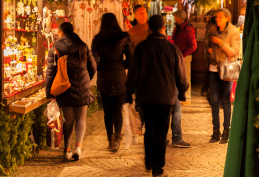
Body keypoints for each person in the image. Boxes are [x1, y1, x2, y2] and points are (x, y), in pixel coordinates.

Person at [126, 15, 189, 177]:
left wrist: (128, 93)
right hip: (165, 97)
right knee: (161, 132)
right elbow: (181, 75)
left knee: (148, 129)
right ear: (163, 28)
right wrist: (182, 92)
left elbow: (133, 73)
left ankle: (148, 160)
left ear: (149, 28)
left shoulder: (141, 48)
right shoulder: (172, 48)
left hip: (145, 96)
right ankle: (158, 168)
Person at [45, 22, 97, 160]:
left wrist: (50, 93)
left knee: (68, 120)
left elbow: (50, 72)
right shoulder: (82, 45)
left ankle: (66, 150)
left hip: (64, 87)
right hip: (82, 86)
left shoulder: (55, 48)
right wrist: (87, 79)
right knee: (81, 119)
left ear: (61, 32)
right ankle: (78, 148)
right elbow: (93, 66)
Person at [91, 13, 132, 152]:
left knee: (107, 111)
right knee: (117, 110)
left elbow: (94, 60)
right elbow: (131, 59)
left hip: (104, 76)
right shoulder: (124, 38)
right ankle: (117, 141)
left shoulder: (98, 39)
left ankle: (110, 140)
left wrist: (101, 66)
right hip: (119, 75)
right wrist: (122, 65)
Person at [205, 8, 241, 144]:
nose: (217, 19)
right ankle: (215, 131)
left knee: (225, 100)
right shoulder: (212, 30)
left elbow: (235, 52)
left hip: (227, 70)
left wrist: (221, 44)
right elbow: (207, 46)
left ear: (227, 18)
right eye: (216, 17)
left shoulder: (233, 32)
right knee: (214, 100)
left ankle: (227, 131)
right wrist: (211, 52)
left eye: (220, 17)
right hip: (214, 68)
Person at [172, 9, 197, 104]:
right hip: (179, 55)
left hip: (184, 56)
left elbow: (193, 45)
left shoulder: (188, 29)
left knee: (186, 76)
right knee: (179, 75)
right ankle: (180, 96)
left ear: (179, 18)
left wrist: (183, 55)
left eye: (175, 16)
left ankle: (187, 97)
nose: (174, 18)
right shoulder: (178, 27)